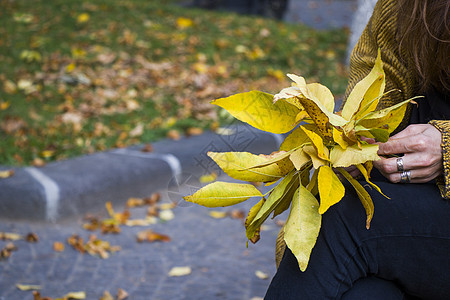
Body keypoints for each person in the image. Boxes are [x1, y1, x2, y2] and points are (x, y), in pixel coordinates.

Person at [265, 0, 449, 299]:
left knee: (345, 219)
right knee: (363, 294)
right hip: (413, 210)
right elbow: (379, 76)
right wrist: (352, 143)